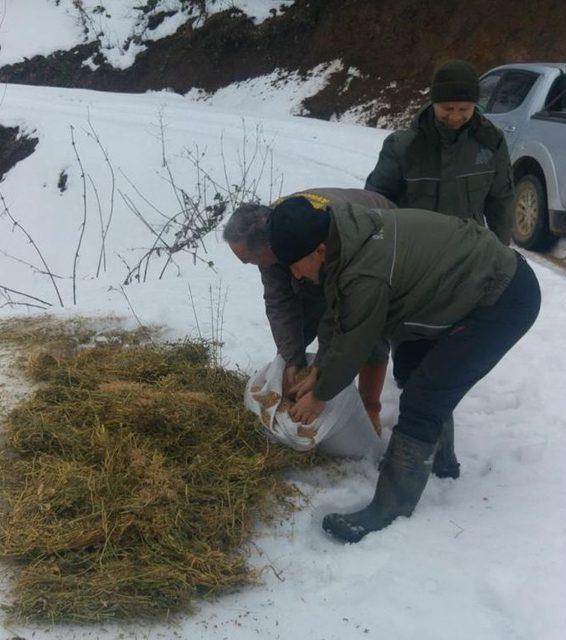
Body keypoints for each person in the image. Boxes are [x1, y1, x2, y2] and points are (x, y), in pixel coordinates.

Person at [264, 195, 540, 543]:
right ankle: (437, 462)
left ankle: (390, 508)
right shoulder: (342, 239)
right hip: (458, 290)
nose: (294, 274)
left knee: (426, 396)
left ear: (318, 250)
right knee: (412, 363)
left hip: (501, 298)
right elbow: (338, 314)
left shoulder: (364, 267)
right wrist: (319, 367)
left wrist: (319, 396)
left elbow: (356, 340)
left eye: (294, 265)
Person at [364, 59, 515, 478]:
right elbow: (376, 198)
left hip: (466, 267)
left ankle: (435, 450)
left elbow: (502, 199)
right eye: (447, 108)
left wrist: (501, 252)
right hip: (413, 266)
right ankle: (407, 437)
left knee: (444, 361)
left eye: (464, 109)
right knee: (411, 357)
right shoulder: (404, 145)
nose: (455, 117)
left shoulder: (490, 143)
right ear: (432, 104)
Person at [223, 188, 393, 434]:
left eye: (250, 260)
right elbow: (279, 301)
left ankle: (369, 408)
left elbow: (343, 315)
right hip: (315, 260)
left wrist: (321, 379)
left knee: (368, 328)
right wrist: (293, 359)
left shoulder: (313, 235)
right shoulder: (274, 235)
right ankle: (303, 378)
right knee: (299, 326)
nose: (249, 265)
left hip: (378, 233)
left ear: (270, 246)